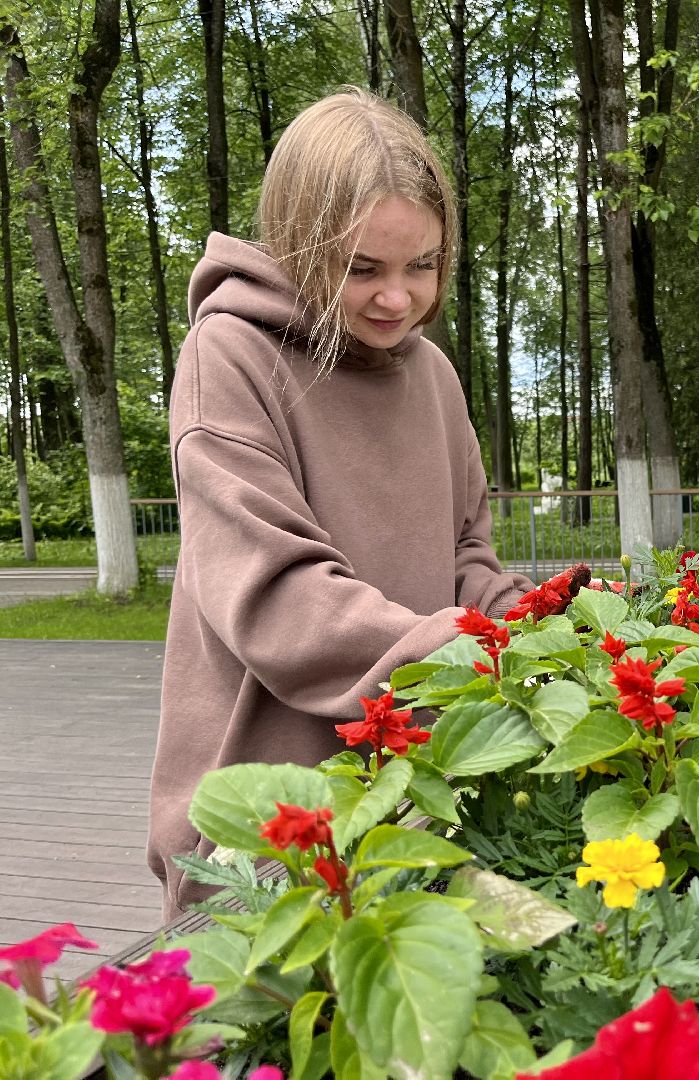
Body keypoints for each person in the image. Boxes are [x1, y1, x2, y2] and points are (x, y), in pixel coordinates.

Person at [147, 88, 536, 920]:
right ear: (298, 241)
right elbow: (278, 599)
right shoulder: (230, 357)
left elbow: (467, 557)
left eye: (421, 266)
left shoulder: (432, 375)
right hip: (268, 821)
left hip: (417, 784)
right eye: (363, 268)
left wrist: (541, 631)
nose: (397, 298)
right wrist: (463, 657)